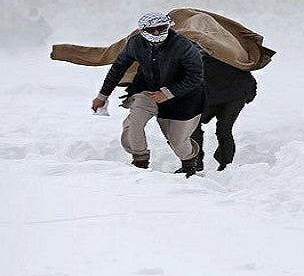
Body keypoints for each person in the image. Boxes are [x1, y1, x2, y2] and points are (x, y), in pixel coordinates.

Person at [91, 12, 205, 177]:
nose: (157, 33)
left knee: (178, 141)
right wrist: (102, 96)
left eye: (161, 28)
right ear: (143, 30)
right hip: (147, 92)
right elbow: (118, 68)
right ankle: (140, 161)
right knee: (134, 124)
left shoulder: (184, 47)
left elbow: (195, 77)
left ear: (168, 27)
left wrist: (167, 93)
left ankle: (189, 164)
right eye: (152, 30)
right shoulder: (135, 43)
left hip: (183, 97)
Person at [190, 55, 257, 172]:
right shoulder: (230, 49)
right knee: (222, 129)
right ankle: (221, 163)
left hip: (229, 94)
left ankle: (201, 162)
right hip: (228, 94)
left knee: (198, 127)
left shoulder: (196, 51)